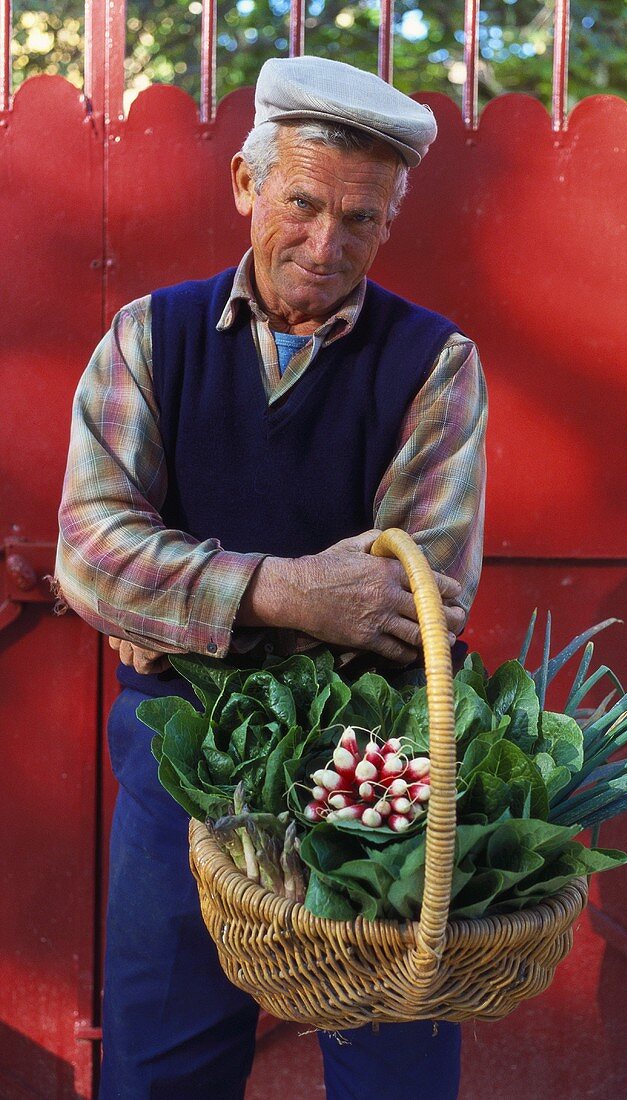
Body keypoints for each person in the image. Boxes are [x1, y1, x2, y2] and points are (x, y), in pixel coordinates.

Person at [55, 55, 487, 1100]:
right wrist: (283, 590)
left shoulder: (434, 365)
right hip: (180, 767)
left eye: (361, 220)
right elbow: (90, 553)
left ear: (388, 222)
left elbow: (412, 604)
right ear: (247, 185)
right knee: (161, 1069)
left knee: (394, 1070)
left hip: (375, 775)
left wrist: (171, 609)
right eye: (301, 203)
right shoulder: (147, 341)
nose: (325, 244)